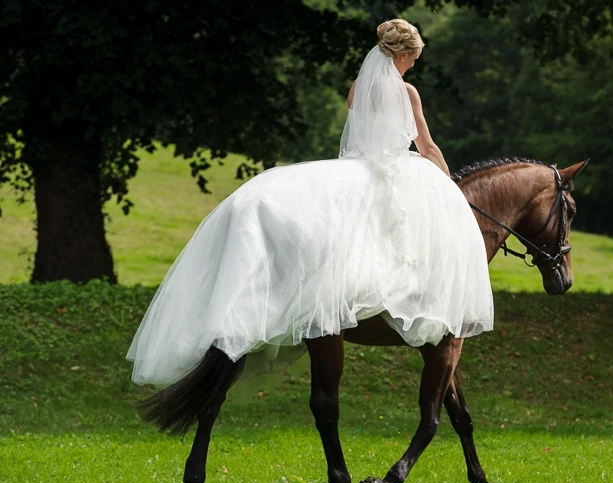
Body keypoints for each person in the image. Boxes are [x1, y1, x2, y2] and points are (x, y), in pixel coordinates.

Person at [126, 18, 494, 386]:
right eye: (413, 58)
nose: (414, 65)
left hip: (358, 166)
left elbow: (360, 136)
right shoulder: (407, 92)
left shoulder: (357, 88)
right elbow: (426, 146)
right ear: (404, 55)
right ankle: (407, 294)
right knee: (413, 231)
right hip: (393, 168)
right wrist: (448, 185)